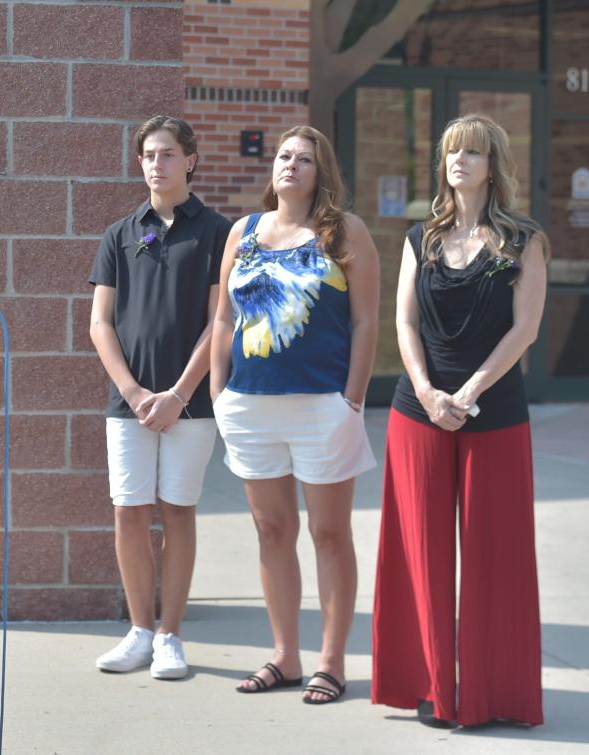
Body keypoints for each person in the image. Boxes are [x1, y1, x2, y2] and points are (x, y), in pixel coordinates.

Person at [371, 114, 547, 728]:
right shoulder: (419, 237)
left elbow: (526, 329)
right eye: (450, 152)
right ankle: (429, 686)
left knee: (495, 556)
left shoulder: (524, 239)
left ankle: (490, 692)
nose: (458, 161)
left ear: (493, 164)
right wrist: (426, 390)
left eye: (471, 152)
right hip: (416, 412)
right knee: (417, 552)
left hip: (494, 411)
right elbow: (404, 323)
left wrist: (467, 392)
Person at [210, 125, 379, 702]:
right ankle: (284, 657)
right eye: (284, 156)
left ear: (321, 171)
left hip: (322, 405)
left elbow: (365, 322)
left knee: (330, 534)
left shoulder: (344, 232)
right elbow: (224, 319)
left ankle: (332, 662)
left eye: (304, 159)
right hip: (250, 405)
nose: (291, 165)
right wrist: (218, 391)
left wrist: (352, 398)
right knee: (272, 530)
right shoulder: (244, 231)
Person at [88, 115, 231, 680]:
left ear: (190, 160)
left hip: (190, 404)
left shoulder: (217, 232)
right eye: (149, 154)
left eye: (168, 154)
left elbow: (221, 320)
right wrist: (134, 391)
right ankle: (139, 631)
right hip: (129, 404)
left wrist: (176, 394)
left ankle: (171, 635)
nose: (156, 164)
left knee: (177, 511)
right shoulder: (120, 233)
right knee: (129, 512)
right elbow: (100, 323)